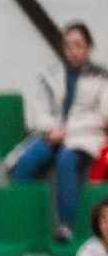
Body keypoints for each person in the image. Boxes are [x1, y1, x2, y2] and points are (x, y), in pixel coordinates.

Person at [13, 22, 108, 243]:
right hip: (53, 134)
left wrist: (70, 130)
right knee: (25, 161)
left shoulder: (102, 77)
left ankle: (67, 226)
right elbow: (39, 110)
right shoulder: (50, 76)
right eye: (68, 46)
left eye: (78, 45)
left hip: (85, 136)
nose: (73, 51)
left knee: (66, 159)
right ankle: (25, 223)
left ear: (88, 47)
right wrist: (50, 128)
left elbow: (103, 116)